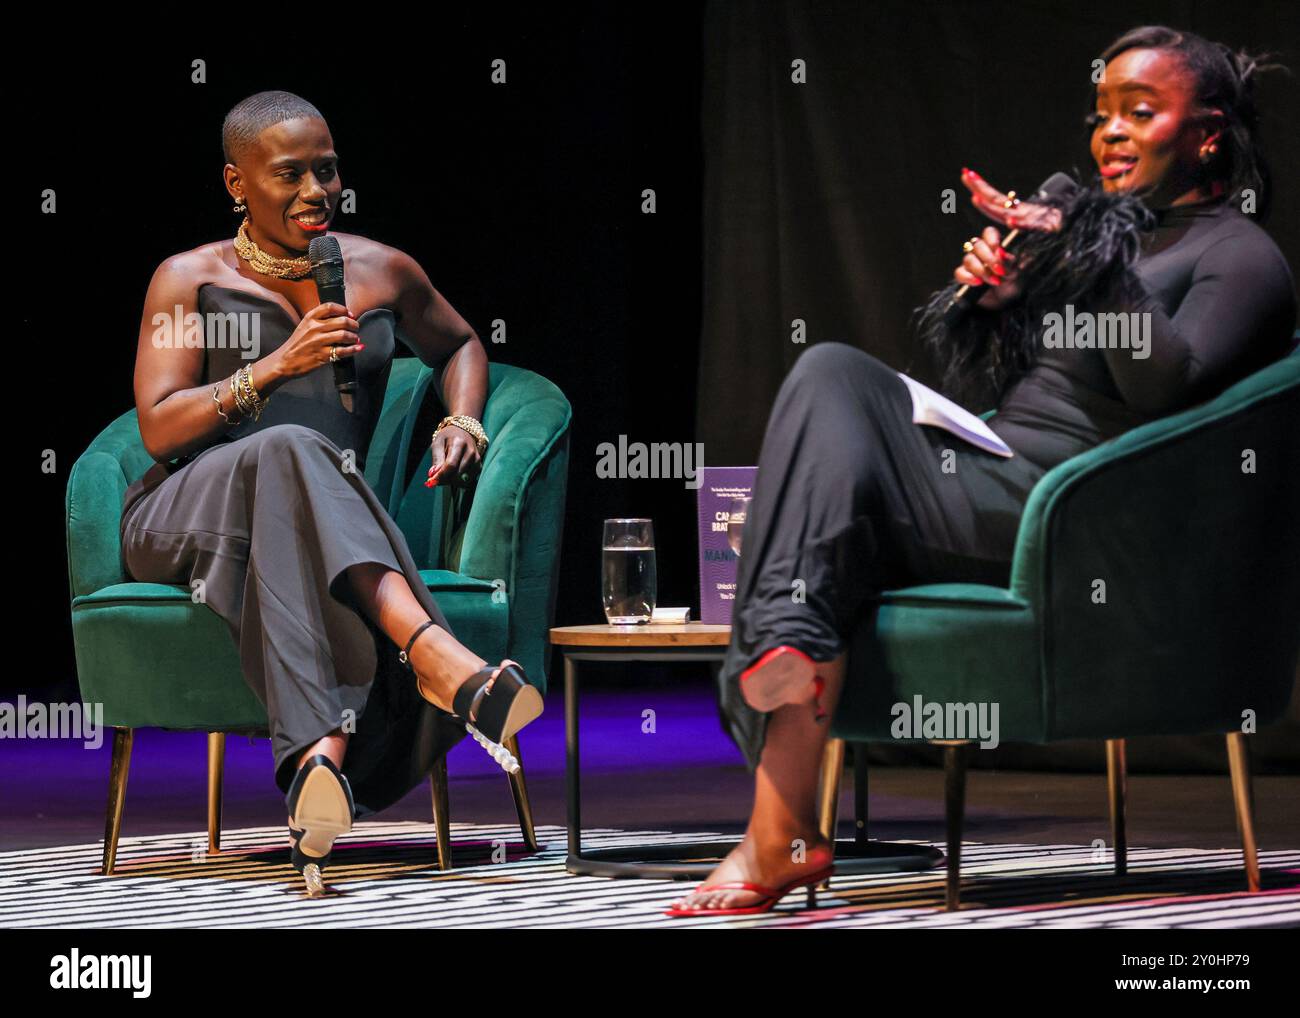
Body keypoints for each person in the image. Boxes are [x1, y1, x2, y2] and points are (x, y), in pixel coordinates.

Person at [668, 25, 1297, 916]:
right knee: (832, 373)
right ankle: (788, 701)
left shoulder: (1238, 254)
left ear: (1207, 134)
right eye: (1103, 114)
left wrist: (1088, 253)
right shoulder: (1114, 241)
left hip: (1080, 517)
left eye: (1140, 112)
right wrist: (1002, 299)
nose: (1109, 133)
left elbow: (1167, 393)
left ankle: (780, 784)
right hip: (998, 475)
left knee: (820, 512)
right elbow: (1038, 383)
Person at [120, 90, 543, 894]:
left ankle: (320, 765)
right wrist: (276, 367)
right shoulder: (186, 278)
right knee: (287, 447)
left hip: (302, 528)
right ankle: (441, 660)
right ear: (236, 183)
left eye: (328, 169)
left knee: (297, 503)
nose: (317, 189)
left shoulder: (381, 269)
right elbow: (160, 429)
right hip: (185, 515)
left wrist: (464, 419)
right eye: (291, 174)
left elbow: (459, 344)